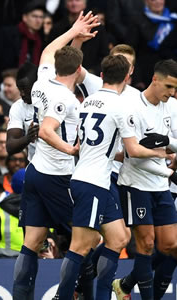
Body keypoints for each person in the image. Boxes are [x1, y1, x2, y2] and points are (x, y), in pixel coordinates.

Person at [54, 55, 167, 300]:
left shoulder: (87, 101)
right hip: (91, 183)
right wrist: (160, 154)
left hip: (96, 180)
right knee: (81, 246)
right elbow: (133, 150)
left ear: (103, 75)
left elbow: (101, 148)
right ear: (128, 77)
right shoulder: (121, 106)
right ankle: (63, 297)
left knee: (119, 237)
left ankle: (103, 295)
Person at [12, 11, 100, 299]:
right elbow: (48, 131)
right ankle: (78, 293)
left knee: (32, 242)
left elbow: (50, 50)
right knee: (88, 239)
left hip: (35, 172)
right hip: (58, 175)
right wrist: (71, 149)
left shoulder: (42, 80)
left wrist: (74, 31)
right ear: (78, 70)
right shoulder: (65, 98)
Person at [112, 60, 177, 299]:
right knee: (146, 244)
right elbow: (133, 153)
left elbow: (173, 145)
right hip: (135, 184)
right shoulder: (132, 106)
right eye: (169, 87)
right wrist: (167, 162)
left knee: (171, 245)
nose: (171, 93)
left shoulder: (172, 107)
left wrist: (168, 143)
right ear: (155, 79)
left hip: (160, 186)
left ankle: (125, 285)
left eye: (175, 89)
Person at [5, 62, 39, 161]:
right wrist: (28, 138)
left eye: (25, 89)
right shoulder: (18, 107)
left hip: (62, 165)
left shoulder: (55, 101)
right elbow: (10, 146)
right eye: (20, 89)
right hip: (34, 165)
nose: (22, 94)